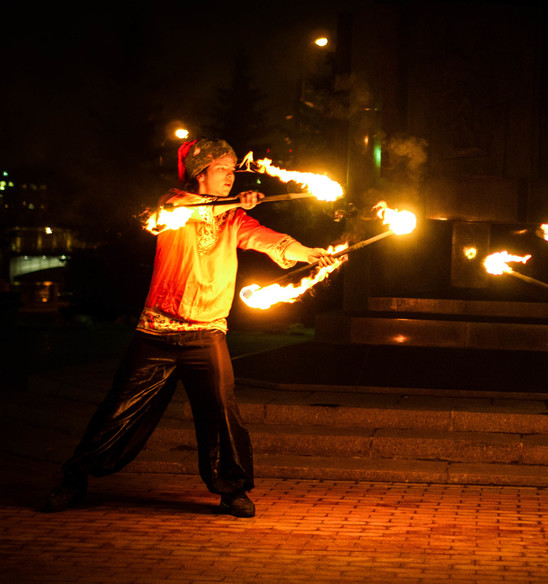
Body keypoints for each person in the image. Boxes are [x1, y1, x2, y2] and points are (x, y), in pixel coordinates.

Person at [41, 138, 336, 518]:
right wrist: (233, 201)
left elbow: (267, 240)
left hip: (206, 332)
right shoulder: (173, 205)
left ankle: (233, 490)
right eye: (223, 170)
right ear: (201, 173)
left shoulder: (234, 219)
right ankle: (74, 477)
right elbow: (174, 211)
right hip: (156, 331)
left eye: (233, 171)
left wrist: (309, 253)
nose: (231, 177)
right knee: (118, 410)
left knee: (223, 414)